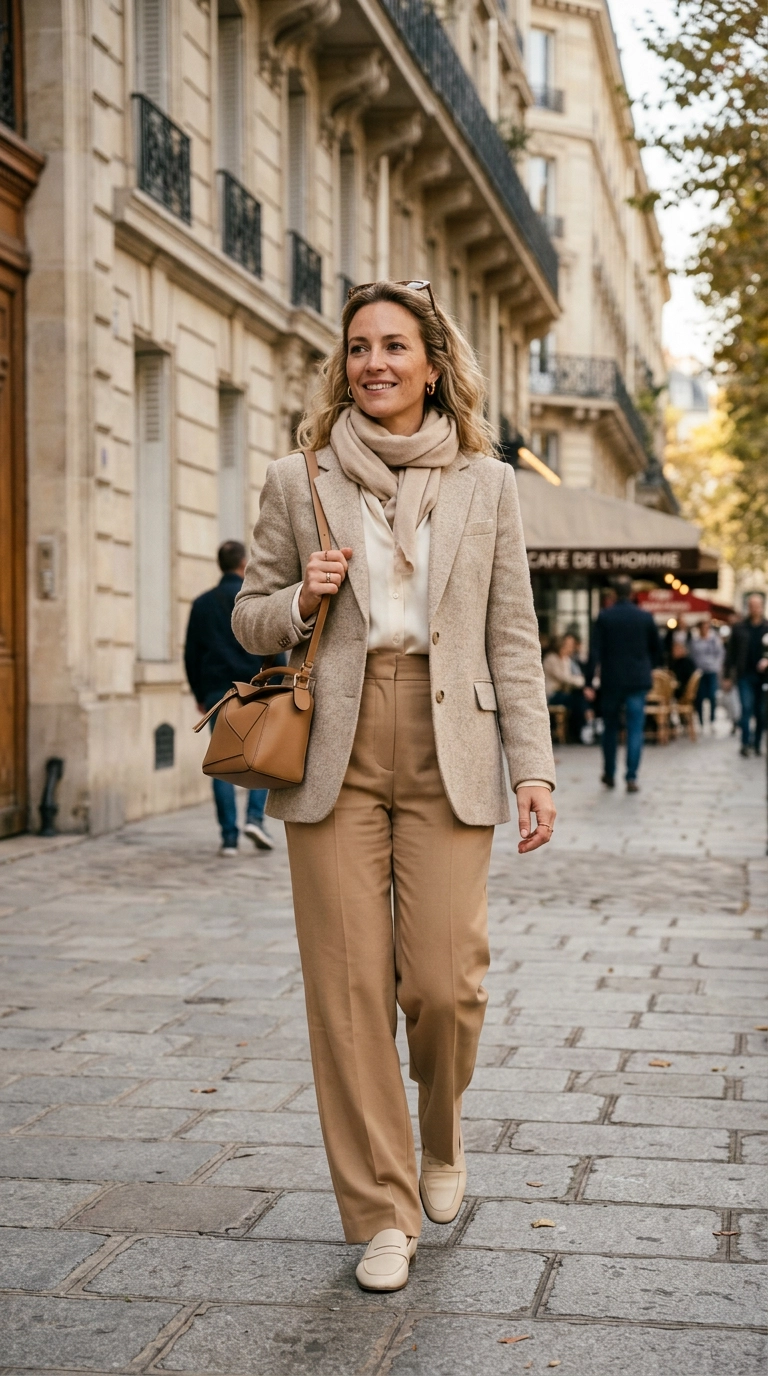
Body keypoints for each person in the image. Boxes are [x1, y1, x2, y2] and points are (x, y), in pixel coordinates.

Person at [232, 279, 556, 1293]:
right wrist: (298, 597)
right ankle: (382, 1208)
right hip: (333, 741)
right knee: (348, 987)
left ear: (431, 362)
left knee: (446, 982)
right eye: (359, 346)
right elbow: (244, 617)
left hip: (451, 737)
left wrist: (534, 766)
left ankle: (442, 1135)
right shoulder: (302, 476)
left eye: (394, 346)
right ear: (345, 362)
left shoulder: (485, 480)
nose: (374, 362)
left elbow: (513, 633)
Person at [184, 540, 278, 855]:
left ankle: (228, 838)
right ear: (243, 565)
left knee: (221, 762)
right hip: (254, 688)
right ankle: (254, 818)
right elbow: (272, 642)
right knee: (260, 757)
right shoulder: (254, 603)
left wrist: (200, 693)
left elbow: (191, 653)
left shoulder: (202, 603)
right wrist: (276, 684)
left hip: (216, 693)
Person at [591, 575, 662, 793]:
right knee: (635, 729)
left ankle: (609, 773)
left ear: (613, 593)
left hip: (612, 680)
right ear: (632, 593)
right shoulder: (645, 617)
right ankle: (631, 776)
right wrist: (648, 666)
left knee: (610, 728)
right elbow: (658, 651)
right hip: (637, 680)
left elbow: (595, 652)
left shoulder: (605, 617)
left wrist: (588, 681)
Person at [723, 592, 768, 756]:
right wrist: (727, 676)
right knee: (746, 708)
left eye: (757, 605)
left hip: (763, 677)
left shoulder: (767, 627)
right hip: (744, 675)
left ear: (762, 607)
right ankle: (745, 744)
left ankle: (757, 744)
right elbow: (730, 654)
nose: (755, 609)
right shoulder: (739, 627)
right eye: (752, 606)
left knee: (761, 712)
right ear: (748, 607)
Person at [543, 632, 589, 741]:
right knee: (577, 699)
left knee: (579, 697)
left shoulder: (566, 660)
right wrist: (583, 682)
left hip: (563, 692)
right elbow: (564, 678)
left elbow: (571, 678)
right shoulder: (551, 659)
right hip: (552, 694)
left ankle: (582, 728)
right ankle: (583, 727)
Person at [690, 616, 724, 726]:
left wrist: (716, 665)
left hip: (712, 671)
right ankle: (701, 720)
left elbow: (720, 654)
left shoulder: (714, 639)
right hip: (699, 672)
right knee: (699, 696)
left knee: (712, 696)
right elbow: (692, 655)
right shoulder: (695, 641)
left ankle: (712, 719)